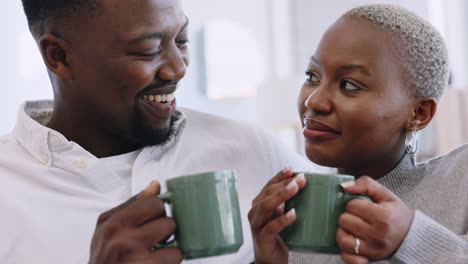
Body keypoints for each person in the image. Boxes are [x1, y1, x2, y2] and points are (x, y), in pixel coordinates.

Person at [0, 0, 320, 263]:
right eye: (149, 49)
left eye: (181, 41)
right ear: (60, 56)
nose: (179, 68)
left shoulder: (253, 150)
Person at [248, 4, 468, 264]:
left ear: (418, 112)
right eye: (312, 76)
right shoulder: (289, 217)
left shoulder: (460, 179)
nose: (314, 101)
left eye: (349, 84)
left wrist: (411, 237)